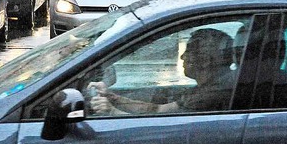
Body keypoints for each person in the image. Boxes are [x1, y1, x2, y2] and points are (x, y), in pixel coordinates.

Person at [89, 28, 236, 115]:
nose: (182, 56)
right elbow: (157, 109)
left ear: (206, 60)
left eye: (189, 51)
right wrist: (112, 97)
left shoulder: (211, 94)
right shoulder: (212, 86)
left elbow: (153, 120)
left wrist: (112, 112)